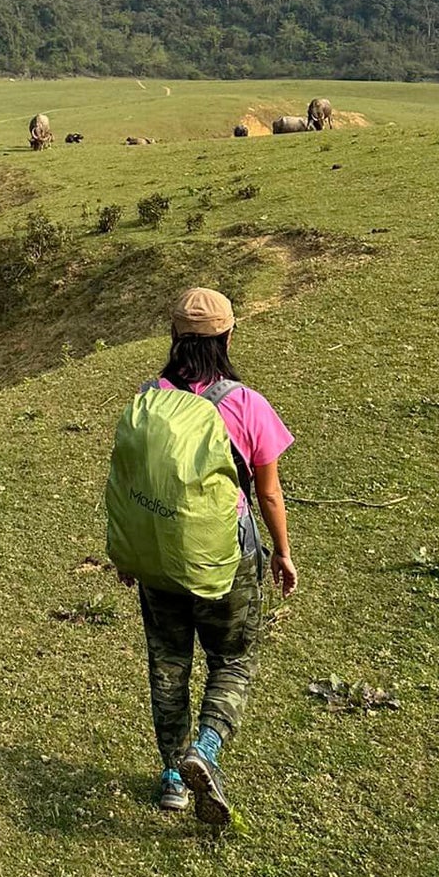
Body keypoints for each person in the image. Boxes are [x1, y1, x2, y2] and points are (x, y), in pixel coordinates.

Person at [109, 286, 297, 826]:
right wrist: (282, 554)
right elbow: (268, 494)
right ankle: (205, 751)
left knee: (168, 667)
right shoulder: (246, 404)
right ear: (228, 335)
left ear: (174, 337)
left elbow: (128, 483)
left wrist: (128, 553)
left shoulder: (148, 398)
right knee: (233, 659)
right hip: (226, 561)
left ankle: (172, 779)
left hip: (158, 558)